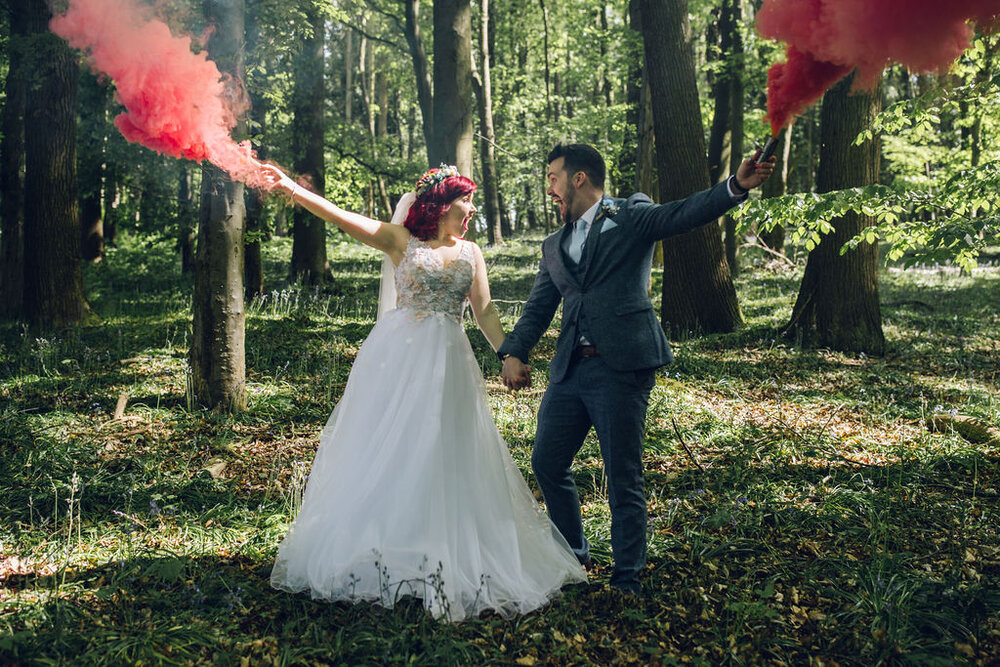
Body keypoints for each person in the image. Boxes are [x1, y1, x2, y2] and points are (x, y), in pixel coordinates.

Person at [258, 163, 585, 621]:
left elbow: (485, 311)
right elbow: (338, 215)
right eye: (466, 201)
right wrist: (293, 186)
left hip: (450, 363)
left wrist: (509, 354)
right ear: (442, 204)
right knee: (394, 451)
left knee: (445, 454)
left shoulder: (472, 252)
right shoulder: (400, 241)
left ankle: (444, 552)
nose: (472, 210)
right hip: (397, 361)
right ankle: (386, 552)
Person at [499, 144, 774, 595]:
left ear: (579, 178)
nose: (549, 188)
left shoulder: (631, 214)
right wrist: (515, 351)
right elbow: (538, 307)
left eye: (553, 178)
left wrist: (736, 186)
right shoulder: (553, 245)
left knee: (622, 473)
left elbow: (684, 213)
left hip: (621, 368)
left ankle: (628, 578)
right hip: (569, 373)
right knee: (548, 462)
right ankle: (574, 558)